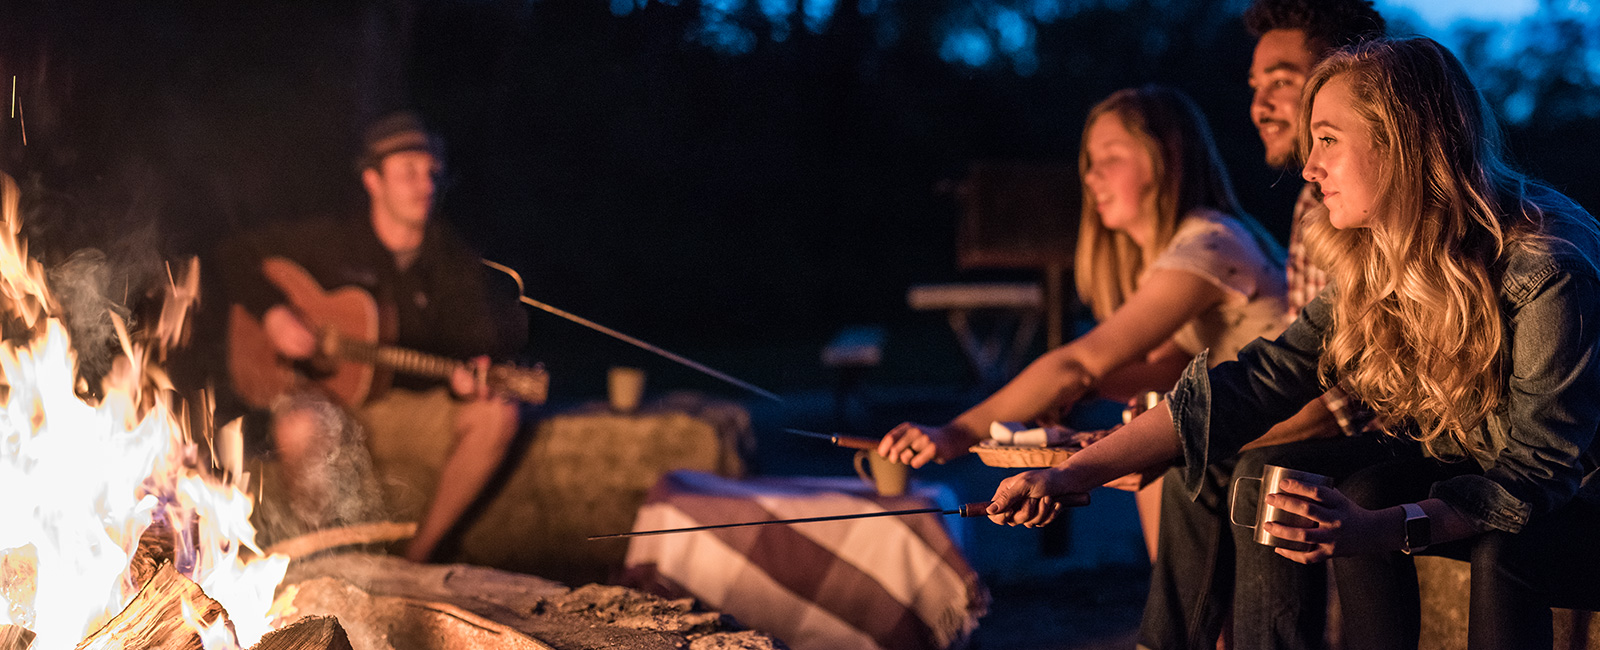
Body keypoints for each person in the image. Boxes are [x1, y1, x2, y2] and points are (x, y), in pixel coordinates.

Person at [988, 36, 1600, 650]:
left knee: (1497, 544)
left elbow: (1535, 472)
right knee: (1347, 488)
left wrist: (1376, 531)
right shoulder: (1377, 257)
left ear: (1403, 144)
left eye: (1329, 140)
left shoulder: (1544, 268)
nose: (1309, 167)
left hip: (1577, 492)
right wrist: (1071, 475)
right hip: (1491, 467)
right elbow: (1256, 381)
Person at [878, 84, 1289, 560]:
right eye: (1089, 161)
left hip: (1288, 433)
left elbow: (1080, 362)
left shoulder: (1209, 246)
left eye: (1111, 157)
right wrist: (1082, 393)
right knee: (1148, 442)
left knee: (1154, 454)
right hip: (1252, 428)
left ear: (1166, 157)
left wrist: (956, 433)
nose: (1091, 176)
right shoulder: (1183, 249)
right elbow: (1168, 370)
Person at [1137, 2, 1392, 649]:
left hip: (1407, 435)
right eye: (1255, 87)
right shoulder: (1315, 197)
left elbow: (1342, 399)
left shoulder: (1365, 205)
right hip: (1355, 421)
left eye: (1281, 80)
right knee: (1203, 460)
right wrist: (1161, 430)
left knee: (1255, 470)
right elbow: (1296, 363)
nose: (1259, 105)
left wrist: (1190, 431)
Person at [220, 111, 524, 563]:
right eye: (408, 172)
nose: (426, 185)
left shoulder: (454, 261)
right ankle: (330, 564)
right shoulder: (331, 242)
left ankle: (415, 560)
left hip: (402, 409)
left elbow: (479, 341)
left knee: (497, 415)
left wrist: (468, 375)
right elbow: (233, 254)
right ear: (372, 180)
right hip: (328, 402)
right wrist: (274, 315)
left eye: (431, 173)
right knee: (299, 424)